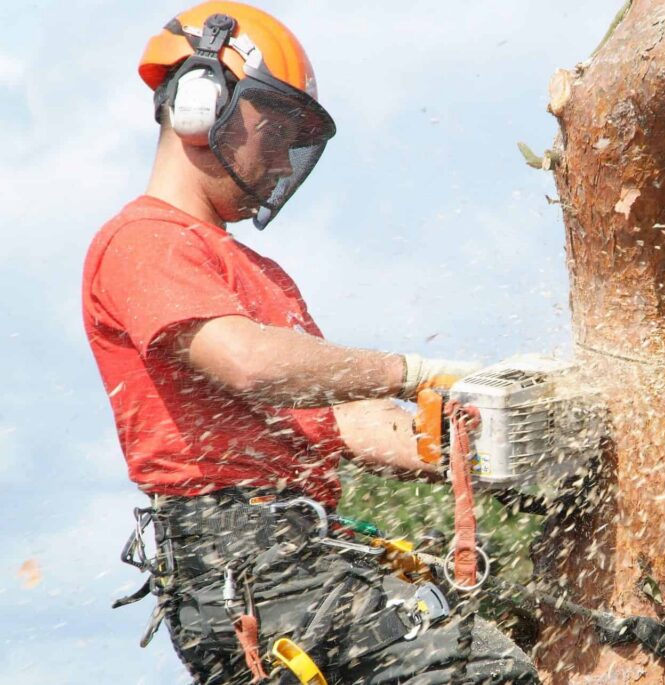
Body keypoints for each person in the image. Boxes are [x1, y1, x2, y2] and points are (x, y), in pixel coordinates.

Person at [81, 2, 539, 683]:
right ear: (200, 105)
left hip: (301, 552)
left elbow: (340, 419)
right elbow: (249, 363)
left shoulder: (264, 276)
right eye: (274, 131)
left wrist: (482, 436)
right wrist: (406, 369)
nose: (280, 159)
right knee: (480, 671)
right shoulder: (143, 241)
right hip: (238, 560)